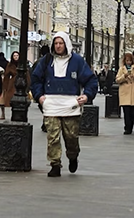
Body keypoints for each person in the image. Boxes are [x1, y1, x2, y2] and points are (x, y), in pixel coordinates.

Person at [30, 32, 97, 177]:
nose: (58, 46)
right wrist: (39, 96)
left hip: (71, 105)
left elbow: (91, 80)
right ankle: (55, 164)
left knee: (71, 136)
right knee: (52, 136)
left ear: (66, 44)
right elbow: (35, 79)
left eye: (61, 43)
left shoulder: (77, 61)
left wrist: (86, 95)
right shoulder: (46, 61)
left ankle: (72, 155)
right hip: (51, 104)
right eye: (56, 43)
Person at [114, 52, 134, 134]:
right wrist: (124, 76)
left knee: (132, 113)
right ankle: (127, 128)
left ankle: (131, 126)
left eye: (130, 61)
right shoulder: (121, 69)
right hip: (125, 93)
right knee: (126, 112)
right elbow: (117, 80)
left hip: (133, 93)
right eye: (127, 61)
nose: (128, 62)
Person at [0, 50, 19, 118]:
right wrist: (4, 86)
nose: (16, 57)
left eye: (17, 56)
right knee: (11, 99)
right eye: (14, 56)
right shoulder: (9, 64)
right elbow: (7, 75)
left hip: (20, 84)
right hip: (12, 84)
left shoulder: (22, 64)